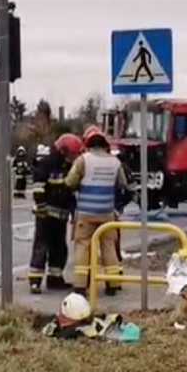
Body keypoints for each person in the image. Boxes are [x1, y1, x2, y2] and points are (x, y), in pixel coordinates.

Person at [65, 126, 128, 296]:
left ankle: (80, 285)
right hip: (107, 213)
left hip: (86, 213)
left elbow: (70, 182)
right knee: (108, 246)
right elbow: (123, 184)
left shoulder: (82, 160)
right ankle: (113, 283)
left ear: (88, 144)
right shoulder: (115, 162)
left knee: (83, 246)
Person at [28, 134, 83, 294]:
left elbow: (70, 192)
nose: (75, 157)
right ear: (63, 151)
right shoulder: (47, 164)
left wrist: (73, 212)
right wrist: (41, 206)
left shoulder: (69, 168)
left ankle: (55, 278)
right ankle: (35, 281)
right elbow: (39, 187)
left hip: (61, 216)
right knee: (41, 247)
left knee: (59, 248)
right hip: (45, 215)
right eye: (73, 154)